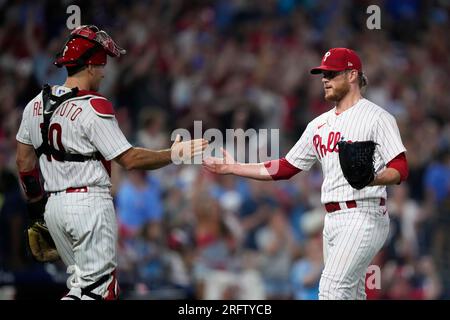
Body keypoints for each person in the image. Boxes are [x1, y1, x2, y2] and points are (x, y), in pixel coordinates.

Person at [15, 25, 207, 300]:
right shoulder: (94, 105)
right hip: (88, 206)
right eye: (102, 65)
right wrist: (176, 153)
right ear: (91, 66)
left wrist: (37, 213)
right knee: (103, 292)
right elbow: (129, 159)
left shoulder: (34, 105)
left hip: (54, 209)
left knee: (82, 289)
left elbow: (24, 162)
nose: (104, 73)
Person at [203, 47, 409, 300]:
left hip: (364, 214)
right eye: (323, 74)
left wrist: (373, 178)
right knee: (353, 294)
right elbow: (286, 167)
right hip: (332, 220)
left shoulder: (378, 118)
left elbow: (400, 168)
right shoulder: (318, 125)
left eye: (332, 74)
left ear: (352, 75)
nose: (325, 79)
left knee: (332, 290)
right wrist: (233, 168)